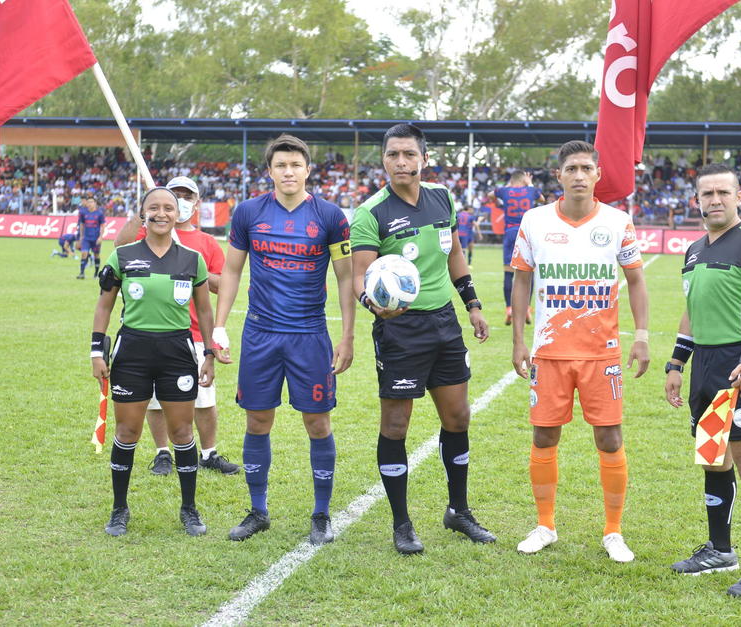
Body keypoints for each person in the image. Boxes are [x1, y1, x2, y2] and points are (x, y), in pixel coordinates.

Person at [350, 123, 494, 555]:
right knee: (396, 425)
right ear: (383, 160)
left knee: (458, 418)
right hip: (400, 330)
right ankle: (402, 523)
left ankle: (458, 511)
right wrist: (373, 304)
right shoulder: (370, 213)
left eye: (409, 154)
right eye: (392, 154)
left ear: (423, 158)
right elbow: (360, 276)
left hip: (444, 323)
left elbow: (455, 254)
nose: (401, 162)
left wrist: (472, 304)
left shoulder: (442, 197)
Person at [510, 140, 650, 563]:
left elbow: (636, 280)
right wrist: (518, 339)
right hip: (549, 351)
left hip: (601, 353)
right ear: (558, 175)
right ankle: (545, 525)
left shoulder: (618, 222)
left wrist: (642, 335)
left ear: (597, 174)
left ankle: (613, 531)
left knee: (609, 437)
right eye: (570, 168)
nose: (578, 175)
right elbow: (521, 280)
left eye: (586, 168)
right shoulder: (534, 221)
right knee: (544, 435)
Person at [215, 134, 354, 545]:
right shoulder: (248, 212)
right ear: (270, 171)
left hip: (309, 335)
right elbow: (232, 272)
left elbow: (346, 277)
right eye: (281, 165)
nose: (288, 171)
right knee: (258, 420)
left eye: (295, 165)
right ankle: (258, 511)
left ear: (308, 169)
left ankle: (321, 514)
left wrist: (347, 336)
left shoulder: (330, 216)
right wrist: (219, 326)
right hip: (260, 334)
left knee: (318, 422)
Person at [664, 163, 741, 597]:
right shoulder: (694, 249)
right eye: (707, 194)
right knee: (713, 457)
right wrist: (677, 363)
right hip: (705, 365)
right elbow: (692, 310)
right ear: (696, 200)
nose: (715, 200)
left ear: (739, 197)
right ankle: (720, 550)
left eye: (723, 192)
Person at [91, 187, 220, 537]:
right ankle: (119, 509)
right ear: (142, 214)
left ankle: (189, 509)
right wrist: (96, 352)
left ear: (178, 214)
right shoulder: (123, 256)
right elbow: (104, 306)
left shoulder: (192, 259)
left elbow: (205, 310)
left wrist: (209, 353)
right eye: (154, 207)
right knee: (127, 432)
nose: (162, 213)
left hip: (177, 353)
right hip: (132, 352)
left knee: (182, 432)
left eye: (168, 208)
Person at [114, 176, 238, 477]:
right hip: (150, 332)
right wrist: (144, 211)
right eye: (175, 194)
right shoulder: (146, 233)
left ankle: (208, 453)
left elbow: (221, 284)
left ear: (196, 203)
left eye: (187, 196)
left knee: (203, 400)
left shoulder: (206, 243)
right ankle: (162, 453)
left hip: (193, 332)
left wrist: (192, 267)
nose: (181, 201)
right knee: (156, 402)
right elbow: (119, 247)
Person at [489, 170, 544, 325]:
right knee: (529, 272)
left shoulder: (505, 191)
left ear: (512, 181)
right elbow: (542, 199)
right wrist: (530, 183)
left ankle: (509, 309)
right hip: (527, 234)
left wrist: (503, 193)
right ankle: (526, 308)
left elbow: (490, 195)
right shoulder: (531, 190)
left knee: (508, 272)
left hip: (510, 232)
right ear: (524, 180)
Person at [77, 195, 105, 279]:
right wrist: (81, 236)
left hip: (96, 239)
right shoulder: (83, 213)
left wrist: (100, 237)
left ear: (95, 203)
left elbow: (102, 226)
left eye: (91, 202)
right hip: (86, 238)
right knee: (84, 254)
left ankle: (96, 274)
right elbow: (82, 225)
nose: (89, 203)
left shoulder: (99, 213)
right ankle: (82, 273)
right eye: (88, 202)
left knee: (96, 255)